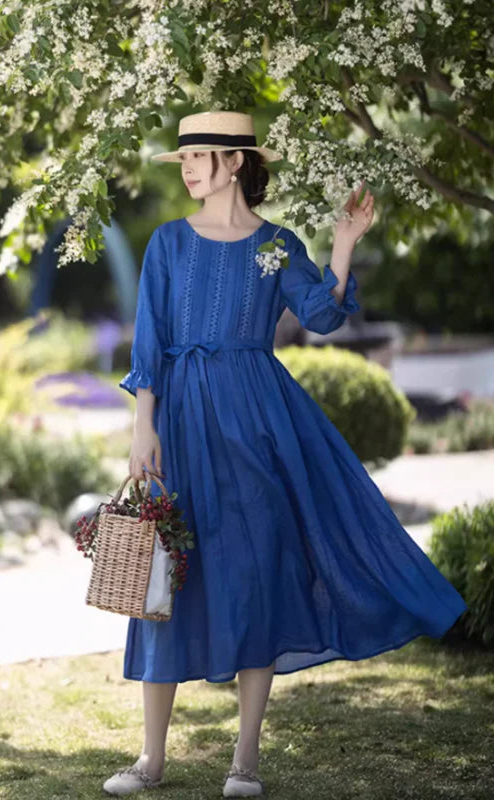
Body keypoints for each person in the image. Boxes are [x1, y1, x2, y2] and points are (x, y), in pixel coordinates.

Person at [103, 111, 468, 797]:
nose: (186, 168)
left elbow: (324, 315)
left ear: (236, 163)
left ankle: (244, 760)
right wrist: (142, 425)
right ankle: (151, 761)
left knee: (259, 571)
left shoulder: (274, 246)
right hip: (180, 420)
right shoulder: (168, 245)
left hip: (259, 420)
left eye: (201, 155)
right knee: (165, 576)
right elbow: (148, 342)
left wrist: (343, 245)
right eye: (183, 157)